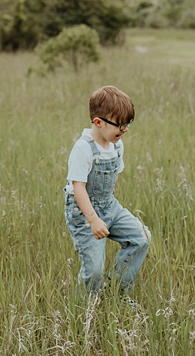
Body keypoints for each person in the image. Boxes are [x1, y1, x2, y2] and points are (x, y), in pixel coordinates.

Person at [64, 85, 150, 295]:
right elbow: (78, 188)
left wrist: (110, 207)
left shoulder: (117, 145)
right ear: (98, 122)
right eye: (120, 125)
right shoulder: (84, 148)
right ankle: (86, 308)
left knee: (141, 238)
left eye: (128, 124)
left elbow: (114, 178)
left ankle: (117, 291)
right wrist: (93, 220)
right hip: (84, 212)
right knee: (94, 270)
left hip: (109, 206)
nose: (125, 129)